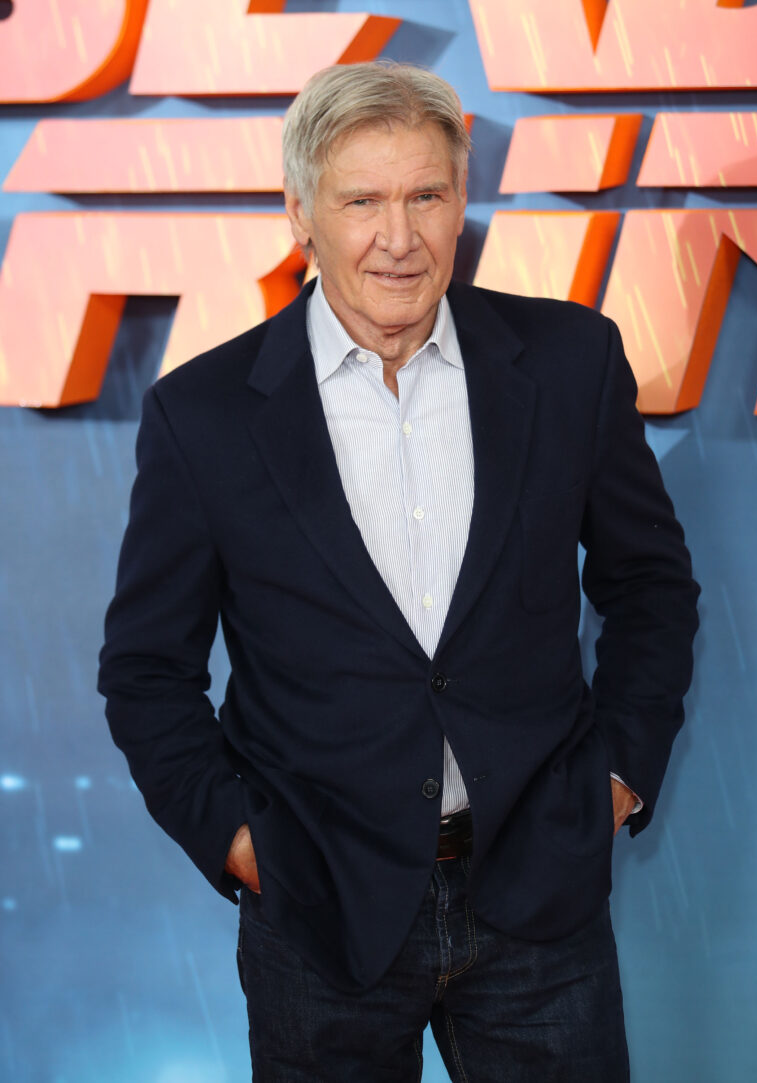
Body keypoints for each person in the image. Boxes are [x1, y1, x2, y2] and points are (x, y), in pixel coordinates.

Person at [99, 61, 699, 1081]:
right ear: (301, 213)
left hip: (539, 895)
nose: (400, 236)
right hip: (319, 910)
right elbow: (146, 671)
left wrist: (615, 778)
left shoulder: (571, 362)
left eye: (426, 195)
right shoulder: (204, 416)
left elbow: (650, 586)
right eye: (362, 201)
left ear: (463, 199)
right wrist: (242, 843)